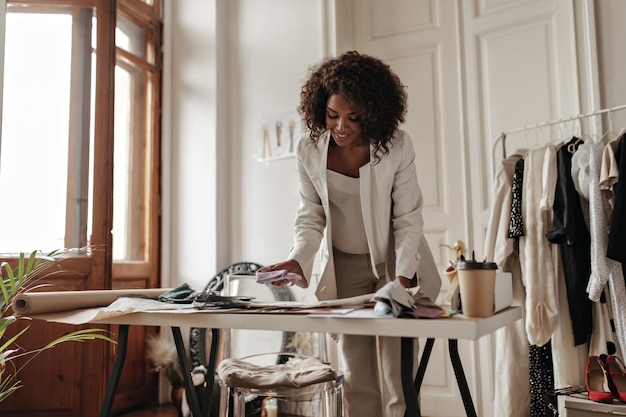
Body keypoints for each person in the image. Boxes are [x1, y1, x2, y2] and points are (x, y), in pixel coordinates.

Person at [263, 51, 441, 417]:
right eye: (333, 116)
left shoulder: (396, 146)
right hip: (343, 269)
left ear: (372, 113)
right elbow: (310, 217)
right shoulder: (309, 150)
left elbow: (408, 218)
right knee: (355, 376)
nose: (342, 126)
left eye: (353, 118)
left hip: (394, 268)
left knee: (398, 378)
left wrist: (403, 280)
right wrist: (298, 259)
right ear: (320, 110)